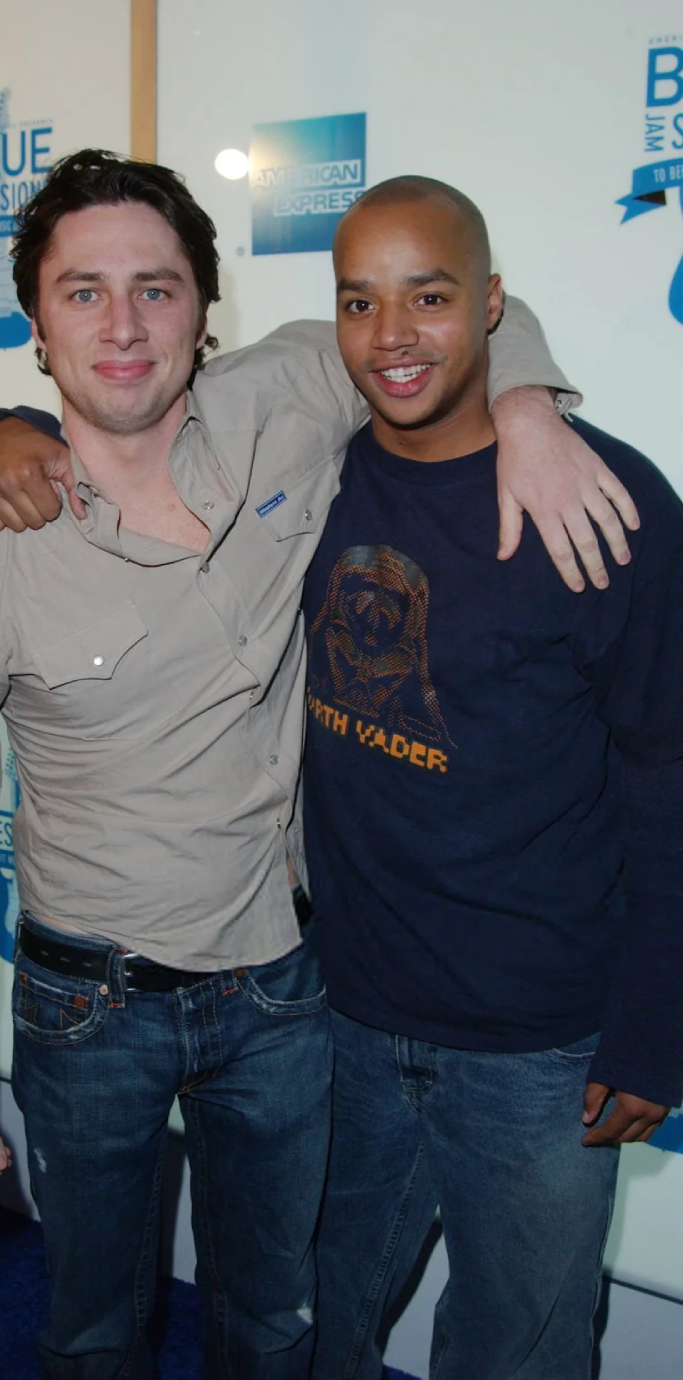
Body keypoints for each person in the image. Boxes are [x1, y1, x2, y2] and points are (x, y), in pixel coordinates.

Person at [0, 150, 635, 1380]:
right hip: (86, 1008)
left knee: (275, 1325)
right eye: (84, 293)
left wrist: (531, 406)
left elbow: (448, 306)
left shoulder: (286, 395)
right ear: (35, 321)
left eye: (156, 289)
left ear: (203, 309)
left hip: (284, 995)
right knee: (94, 1330)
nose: (123, 327)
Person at [302, 176, 683, 1380]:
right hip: (341, 1016)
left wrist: (657, 1024)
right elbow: (134, 401)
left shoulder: (606, 506)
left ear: (494, 306)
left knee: (517, 1357)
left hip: (540, 1050)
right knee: (303, 1324)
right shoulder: (306, 476)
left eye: (430, 295)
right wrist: (3, 432)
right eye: (361, 302)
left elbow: (671, 768)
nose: (393, 335)